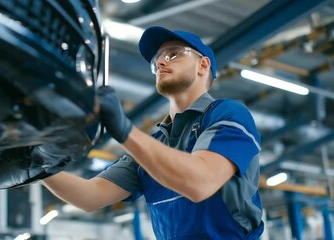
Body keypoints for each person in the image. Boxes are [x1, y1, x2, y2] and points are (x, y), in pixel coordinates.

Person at [38, 26, 264, 239]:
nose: (162, 62)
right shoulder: (152, 146)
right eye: (157, 60)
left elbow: (200, 182)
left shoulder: (228, 113)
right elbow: (91, 195)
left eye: (174, 54)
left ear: (203, 65)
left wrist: (125, 130)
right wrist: (36, 166)